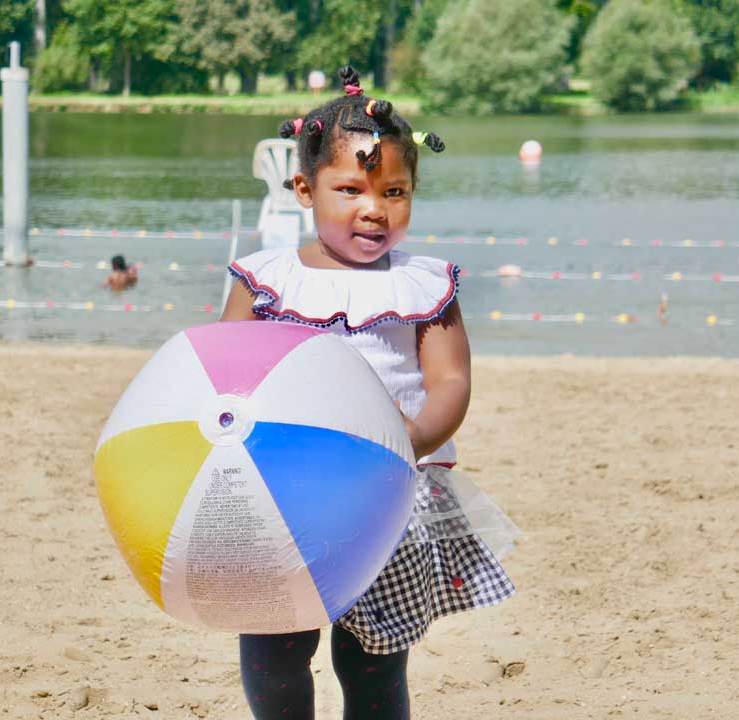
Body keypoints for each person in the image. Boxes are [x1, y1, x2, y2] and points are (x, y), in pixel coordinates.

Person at [220, 66, 515, 720]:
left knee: (374, 660)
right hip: (282, 494)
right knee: (275, 649)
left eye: (395, 190)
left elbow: (450, 380)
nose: (373, 208)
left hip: (390, 496)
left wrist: (407, 438)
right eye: (350, 188)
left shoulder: (421, 283)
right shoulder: (264, 278)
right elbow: (221, 377)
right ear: (304, 188)